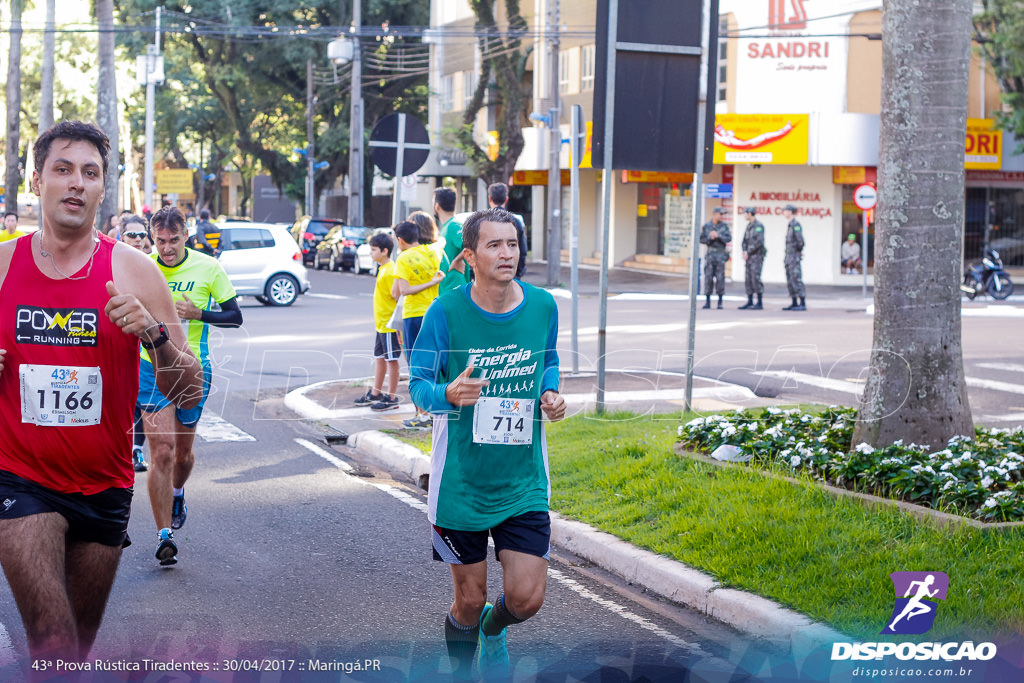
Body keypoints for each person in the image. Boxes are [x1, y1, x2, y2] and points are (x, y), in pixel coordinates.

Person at [0, 120, 203, 663]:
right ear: (37, 179)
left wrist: (155, 336)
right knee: (54, 642)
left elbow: (187, 386)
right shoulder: (1, 266)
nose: (75, 183)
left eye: (90, 173)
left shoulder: (136, 272)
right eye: (62, 169)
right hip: (19, 480)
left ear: (102, 188)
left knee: (73, 655)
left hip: (105, 485)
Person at [409, 207, 565, 680]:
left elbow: (549, 359)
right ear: (470, 256)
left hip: (522, 481)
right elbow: (417, 385)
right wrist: (447, 394)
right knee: (469, 601)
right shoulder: (445, 312)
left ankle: (493, 631)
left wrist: (550, 392)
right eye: (494, 245)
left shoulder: (542, 306)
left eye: (512, 244)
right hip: (462, 482)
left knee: (525, 599)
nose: (506, 253)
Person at [139, 205, 243, 566]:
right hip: (148, 366)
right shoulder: (142, 267)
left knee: (182, 455)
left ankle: (178, 492)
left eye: (174, 240)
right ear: (153, 236)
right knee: (162, 451)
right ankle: (164, 534)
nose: (166, 248)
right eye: (160, 240)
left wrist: (199, 313)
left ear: (187, 235)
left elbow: (235, 316)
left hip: (191, 368)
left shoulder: (207, 267)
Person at [392, 220, 444, 429]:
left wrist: (430, 283)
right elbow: (442, 240)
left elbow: (402, 291)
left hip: (413, 314)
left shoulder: (403, 258)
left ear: (400, 240)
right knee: (433, 361)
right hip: (432, 311)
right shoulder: (431, 251)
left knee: (415, 363)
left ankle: (422, 415)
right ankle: (432, 411)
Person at [353, 231, 402, 411]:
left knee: (391, 360)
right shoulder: (383, 269)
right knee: (379, 358)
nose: (370, 253)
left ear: (384, 251)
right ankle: (376, 393)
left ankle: (392, 396)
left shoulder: (391, 271)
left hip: (389, 326)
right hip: (381, 325)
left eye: (373, 250)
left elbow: (397, 297)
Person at [121, 214, 155, 473]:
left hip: (145, 348)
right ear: (121, 237)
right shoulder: (111, 264)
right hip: (115, 346)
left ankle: (136, 451)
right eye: (132, 235)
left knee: (139, 403)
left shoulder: (153, 267)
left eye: (142, 235)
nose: (137, 239)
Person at [487, 182, 528, 278]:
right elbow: (523, 251)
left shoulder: (482, 222)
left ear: (490, 199)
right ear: (506, 199)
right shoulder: (516, 222)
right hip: (511, 274)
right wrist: (518, 274)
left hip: (488, 276)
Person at [698, 207, 732, 309]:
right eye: (720, 214)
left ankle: (720, 301)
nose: (721, 216)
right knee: (708, 278)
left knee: (720, 278)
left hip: (720, 256)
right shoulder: (707, 226)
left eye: (722, 215)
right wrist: (710, 237)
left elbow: (728, 238)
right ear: (714, 214)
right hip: (710, 255)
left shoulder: (724, 226)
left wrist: (718, 236)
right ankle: (707, 301)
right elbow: (702, 239)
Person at [738, 207, 766, 310]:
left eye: (745, 214)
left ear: (750, 213)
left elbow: (759, 242)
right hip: (749, 257)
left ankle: (759, 302)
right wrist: (744, 251)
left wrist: (748, 251)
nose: (744, 216)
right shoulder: (749, 226)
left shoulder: (758, 226)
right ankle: (749, 301)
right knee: (748, 279)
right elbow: (744, 241)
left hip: (756, 257)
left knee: (755, 278)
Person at [782, 204, 806, 311]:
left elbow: (800, 242)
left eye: (785, 210)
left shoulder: (796, 225)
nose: (784, 212)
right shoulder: (790, 225)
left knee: (796, 279)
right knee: (790, 280)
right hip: (788, 257)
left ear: (790, 212)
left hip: (794, 257)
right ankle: (794, 302)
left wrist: (797, 252)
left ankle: (802, 303)